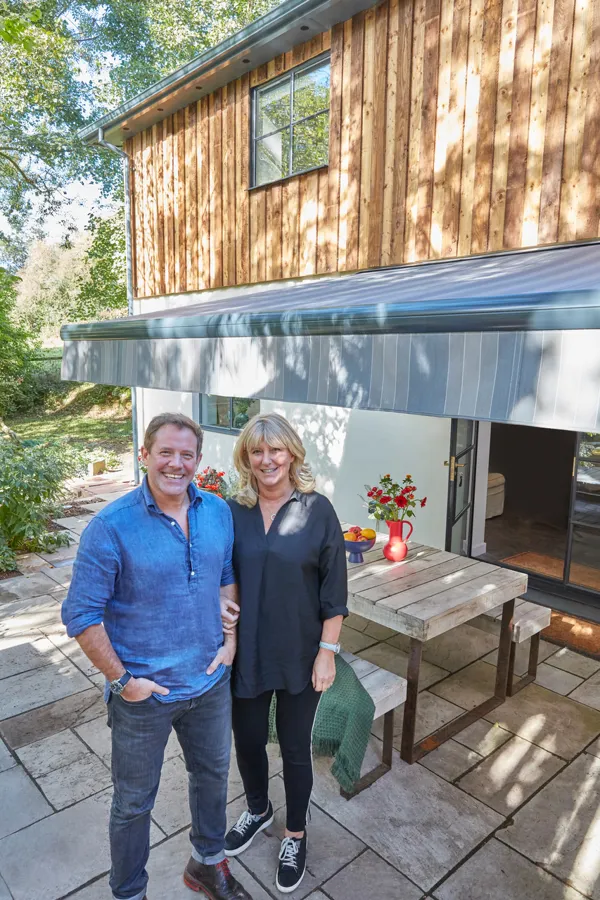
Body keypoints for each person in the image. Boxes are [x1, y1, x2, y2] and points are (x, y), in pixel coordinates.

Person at [61, 412, 252, 900]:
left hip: (209, 682)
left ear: (198, 460)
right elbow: (81, 614)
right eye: (165, 452)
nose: (176, 463)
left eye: (187, 454)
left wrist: (229, 640)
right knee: (132, 804)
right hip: (143, 695)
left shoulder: (216, 512)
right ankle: (129, 892)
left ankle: (208, 865)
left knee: (211, 781)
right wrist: (124, 681)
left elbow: (223, 571)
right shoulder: (110, 527)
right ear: (144, 455)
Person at [223, 413, 348, 894]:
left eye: (276, 450)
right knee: (249, 740)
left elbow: (334, 590)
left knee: (296, 749)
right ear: (246, 460)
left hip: (300, 652)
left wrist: (327, 652)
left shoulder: (318, 511)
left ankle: (294, 833)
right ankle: (258, 809)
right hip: (247, 651)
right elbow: (216, 571)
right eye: (257, 451)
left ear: (292, 453)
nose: (267, 459)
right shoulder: (231, 512)